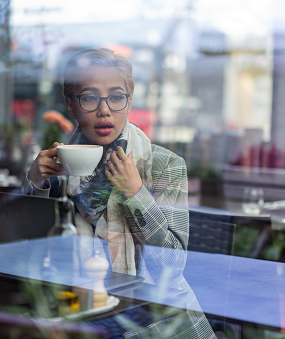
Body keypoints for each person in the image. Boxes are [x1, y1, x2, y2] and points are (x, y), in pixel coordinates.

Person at [25, 48, 189, 283]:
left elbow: (172, 268)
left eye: (116, 97)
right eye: (90, 97)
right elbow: (31, 253)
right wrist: (35, 184)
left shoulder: (166, 166)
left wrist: (136, 194)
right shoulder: (58, 166)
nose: (104, 110)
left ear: (129, 102)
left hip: (149, 313)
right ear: (71, 105)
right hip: (75, 302)